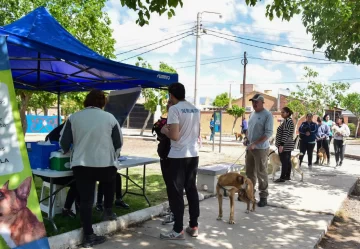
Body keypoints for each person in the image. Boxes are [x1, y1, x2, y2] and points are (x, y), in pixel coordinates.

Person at [60, 90, 122, 248]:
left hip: (82, 164)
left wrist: (68, 149)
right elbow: (118, 142)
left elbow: (63, 143)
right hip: (105, 164)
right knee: (110, 180)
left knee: (86, 201)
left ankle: (88, 235)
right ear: (103, 103)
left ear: (86, 102)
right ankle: (108, 210)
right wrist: (113, 154)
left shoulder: (74, 117)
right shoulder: (110, 118)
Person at [159, 83, 200, 240]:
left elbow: (174, 135)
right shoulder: (194, 109)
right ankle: (194, 225)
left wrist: (164, 130)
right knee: (191, 189)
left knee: (176, 193)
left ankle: (177, 230)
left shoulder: (174, 109)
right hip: (193, 154)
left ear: (171, 95)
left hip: (178, 155)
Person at [44, 122, 79, 218]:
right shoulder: (55, 144)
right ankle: (67, 208)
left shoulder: (59, 135)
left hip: (61, 173)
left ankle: (76, 205)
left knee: (80, 179)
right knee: (78, 181)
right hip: (52, 175)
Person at [245, 94, 273, 207]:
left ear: (262, 102)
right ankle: (250, 194)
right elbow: (249, 129)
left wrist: (255, 143)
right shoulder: (252, 114)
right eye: (253, 101)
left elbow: (268, 133)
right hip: (250, 148)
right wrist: (247, 139)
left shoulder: (267, 115)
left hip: (260, 149)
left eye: (256, 101)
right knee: (249, 173)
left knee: (261, 173)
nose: (254, 103)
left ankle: (263, 196)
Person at [152, 100, 175, 225]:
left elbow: (173, 137)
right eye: (169, 107)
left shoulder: (177, 122)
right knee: (169, 185)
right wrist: (161, 131)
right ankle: (172, 208)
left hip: (174, 158)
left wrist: (165, 132)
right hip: (164, 156)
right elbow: (161, 137)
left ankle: (174, 213)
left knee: (174, 186)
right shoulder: (166, 121)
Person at [274, 107, 295, 183]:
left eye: (283, 112)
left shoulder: (288, 121)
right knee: (287, 160)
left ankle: (282, 177)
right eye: (281, 112)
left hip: (285, 145)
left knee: (284, 161)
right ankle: (287, 175)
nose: (281, 113)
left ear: (288, 113)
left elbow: (285, 133)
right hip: (286, 144)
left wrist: (282, 144)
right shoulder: (286, 121)